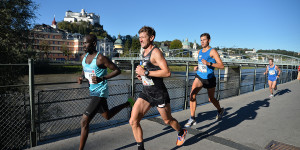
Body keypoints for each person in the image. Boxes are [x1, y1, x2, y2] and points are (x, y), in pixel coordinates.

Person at [129, 26, 187, 150]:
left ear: (151, 38)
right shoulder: (143, 52)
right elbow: (147, 70)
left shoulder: (156, 52)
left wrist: (146, 73)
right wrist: (141, 76)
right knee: (133, 121)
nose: (140, 40)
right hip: (146, 92)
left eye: (143, 37)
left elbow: (167, 73)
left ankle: (181, 132)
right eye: (139, 38)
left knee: (167, 120)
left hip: (159, 93)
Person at [78, 34, 135, 150]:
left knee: (84, 121)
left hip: (100, 91)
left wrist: (102, 78)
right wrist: (81, 77)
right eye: (82, 43)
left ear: (94, 44)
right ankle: (128, 103)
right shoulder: (83, 57)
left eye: (85, 43)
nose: (83, 45)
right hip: (92, 91)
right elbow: (85, 70)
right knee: (107, 115)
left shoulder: (100, 58)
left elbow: (117, 70)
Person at [184, 33, 225, 128]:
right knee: (192, 94)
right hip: (199, 76)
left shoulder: (213, 51)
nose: (202, 42)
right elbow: (201, 65)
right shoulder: (199, 51)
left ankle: (220, 110)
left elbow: (221, 65)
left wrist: (209, 63)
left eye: (204, 40)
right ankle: (192, 118)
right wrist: (197, 67)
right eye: (201, 40)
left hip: (210, 78)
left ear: (209, 40)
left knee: (211, 99)